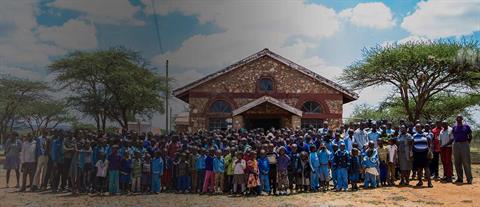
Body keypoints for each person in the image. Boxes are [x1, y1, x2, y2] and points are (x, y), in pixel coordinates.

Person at [444, 115, 473, 184]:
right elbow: (453, 136)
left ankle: (469, 179)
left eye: (460, 118)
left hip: (464, 144)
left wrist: (467, 143)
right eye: (457, 118)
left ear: (462, 119)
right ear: (456, 119)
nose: (458, 119)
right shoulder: (454, 127)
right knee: (457, 162)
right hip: (456, 144)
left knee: (466, 162)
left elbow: (470, 136)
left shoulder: (466, 126)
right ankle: (460, 178)